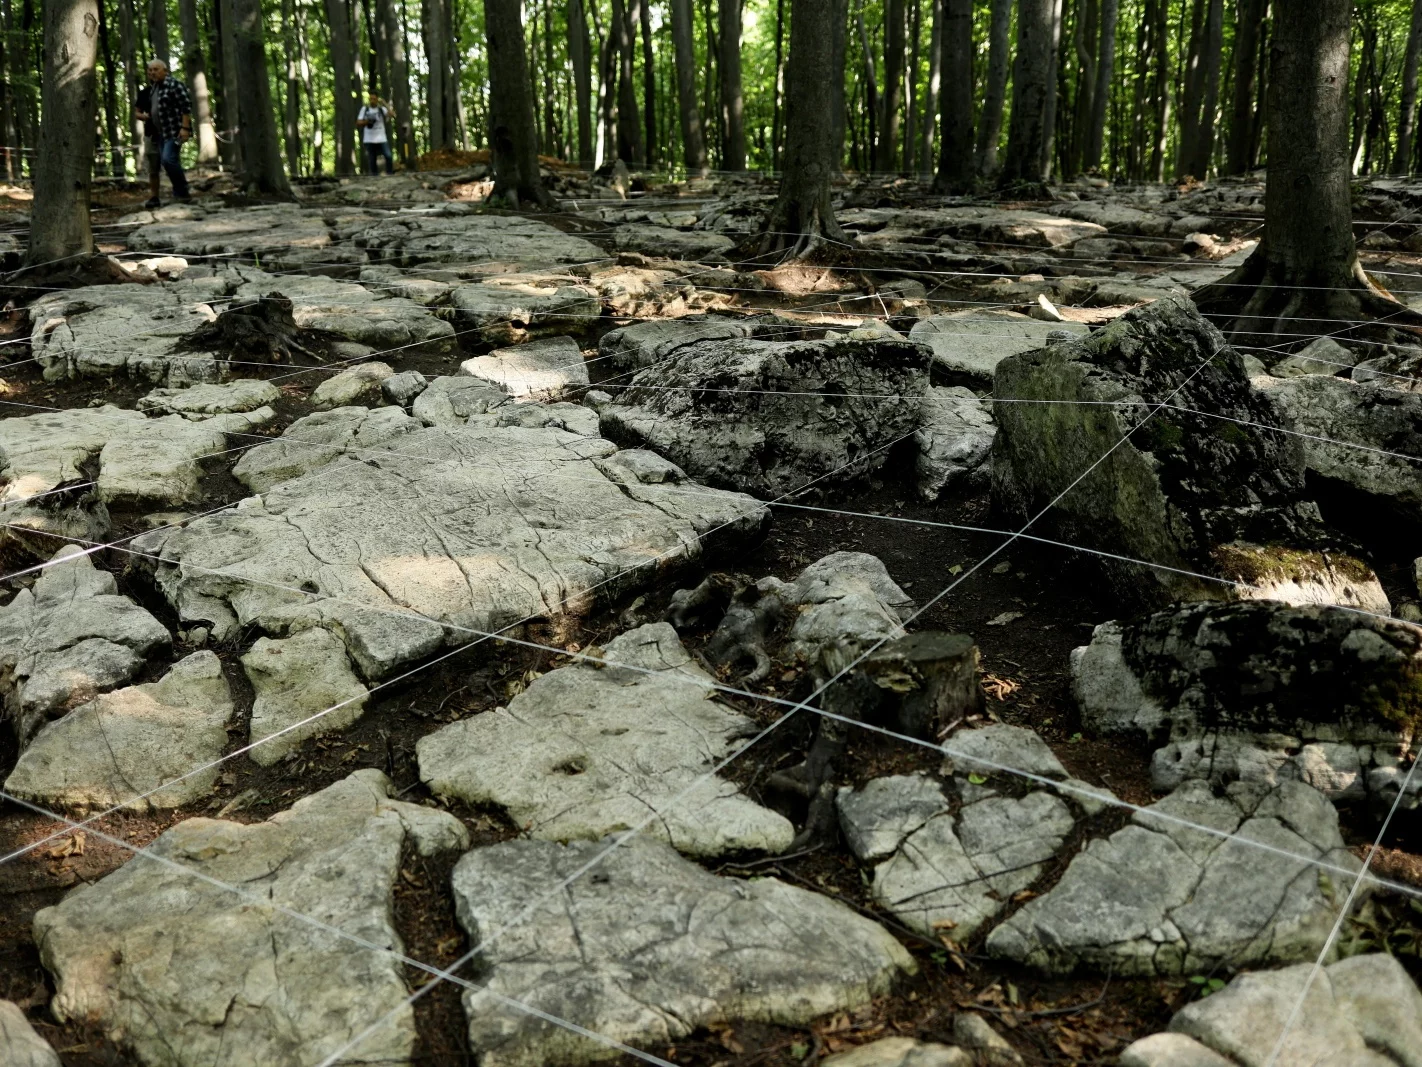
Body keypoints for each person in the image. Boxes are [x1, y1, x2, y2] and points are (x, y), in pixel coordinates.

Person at [134, 60, 193, 209]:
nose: (152, 72)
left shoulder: (174, 85)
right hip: (161, 134)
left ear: (165, 71)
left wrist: (185, 128)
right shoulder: (154, 88)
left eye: (156, 69)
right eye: (150, 70)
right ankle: (179, 193)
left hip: (175, 131)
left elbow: (186, 107)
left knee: (168, 159)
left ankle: (182, 191)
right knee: (166, 162)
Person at [356, 92, 395, 175]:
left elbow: (393, 115)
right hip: (369, 138)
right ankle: (374, 177)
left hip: (381, 137)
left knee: (388, 156)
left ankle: (390, 174)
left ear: (377, 99)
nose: (372, 101)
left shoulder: (381, 109)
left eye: (374, 99)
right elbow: (358, 122)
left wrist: (384, 103)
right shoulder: (365, 109)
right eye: (370, 99)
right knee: (372, 159)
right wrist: (367, 121)